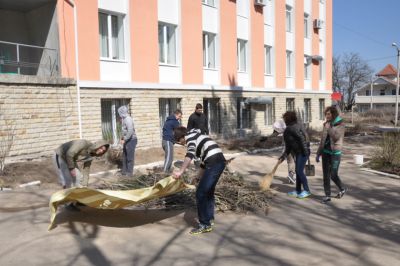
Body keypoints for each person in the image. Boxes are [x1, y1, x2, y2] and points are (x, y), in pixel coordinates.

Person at [173, 126, 225, 235]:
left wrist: (180, 171)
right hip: (219, 161)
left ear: (182, 137)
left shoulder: (190, 138)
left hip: (214, 162)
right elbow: (203, 162)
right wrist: (197, 177)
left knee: (200, 193)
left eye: (179, 141)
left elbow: (190, 154)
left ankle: (204, 225)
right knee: (208, 191)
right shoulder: (198, 136)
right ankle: (209, 219)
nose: (181, 144)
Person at [316, 106, 347, 204]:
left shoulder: (341, 124)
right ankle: (327, 195)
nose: (326, 116)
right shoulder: (326, 124)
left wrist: (329, 128)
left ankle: (342, 188)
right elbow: (323, 140)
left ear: (333, 114)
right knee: (326, 175)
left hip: (335, 154)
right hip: (326, 153)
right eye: (326, 114)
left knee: (333, 175)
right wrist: (318, 153)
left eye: (328, 114)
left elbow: (336, 137)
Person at [278, 111, 311, 199]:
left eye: (285, 119)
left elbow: (302, 139)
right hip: (300, 152)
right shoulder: (291, 128)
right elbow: (288, 147)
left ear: (288, 119)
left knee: (299, 171)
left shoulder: (292, 128)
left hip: (303, 152)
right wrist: (283, 156)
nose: (284, 120)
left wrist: (305, 152)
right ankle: (298, 190)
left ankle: (307, 191)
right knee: (298, 171)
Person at [118, 105, 138, 177]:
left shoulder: (128, 119)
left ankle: (129, 173)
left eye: (119, 113)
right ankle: (124, 171)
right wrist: (122, 138)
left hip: (131, 140)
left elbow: (130, 131)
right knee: (125, 156)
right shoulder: (124, 119)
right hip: (127, 139)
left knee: (129, 157)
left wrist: (125, 139)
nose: (119, 114)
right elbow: (124, 130)